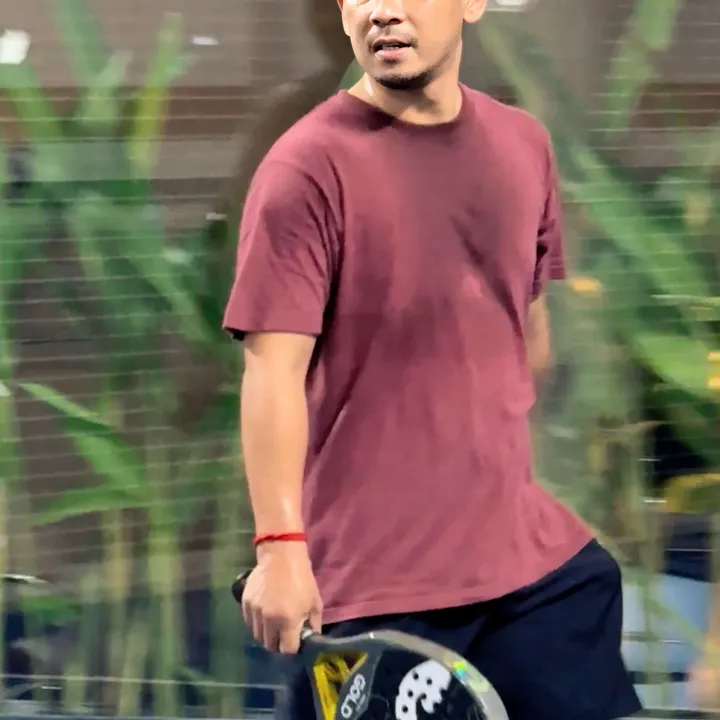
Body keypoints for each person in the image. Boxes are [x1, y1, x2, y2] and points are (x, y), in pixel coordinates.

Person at [222, 0, 642, 717]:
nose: (382, 11)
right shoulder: (305, 167)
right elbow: (272, 371)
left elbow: (527, 334)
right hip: (377, 589)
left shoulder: (523, 144)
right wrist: (281, 548)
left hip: (529, 568)